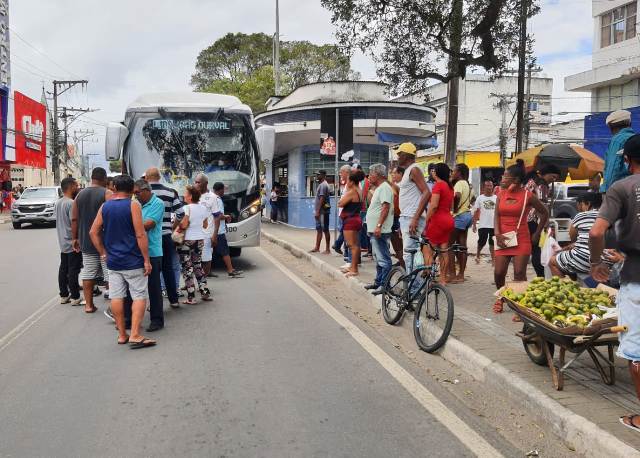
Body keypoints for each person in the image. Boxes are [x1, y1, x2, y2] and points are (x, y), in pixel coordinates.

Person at [589, 133, 640, 431]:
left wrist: (597, 265)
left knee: (637, 355)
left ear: (626, 160)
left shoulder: (622, 188)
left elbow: (596, 232)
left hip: (636, 281)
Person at [89, 175, 155, 349]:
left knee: (116, 296)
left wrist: (103, 252)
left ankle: (122, 335)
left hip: (113, 262)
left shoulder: (105, 206)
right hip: (133, 260)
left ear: (115, 188)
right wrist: (147, 260)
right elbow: (140, 234)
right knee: (139, 296)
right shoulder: (133, 205)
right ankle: (135, 334)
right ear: (133, 189)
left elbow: (93, 232)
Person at [494, 164, 549, 314]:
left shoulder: (528, 195)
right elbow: (496, 215)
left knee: (519, 272)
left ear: (516, 179)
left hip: (522, 237)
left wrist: (537, 233)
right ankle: (501, 297)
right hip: (503, 237)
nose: (502, 178)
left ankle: (520, 306)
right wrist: (497, 233)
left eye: (506, 176)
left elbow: (544, 213)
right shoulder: (500, 193)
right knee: (499, 272)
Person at [72, 167, 112, 313]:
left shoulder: (79, 195)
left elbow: (74, 218)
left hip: (86, 241)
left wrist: (74, 238)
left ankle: (89, 305)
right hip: (105, 242)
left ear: (92, 178)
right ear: (104, 179)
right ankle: (114, 306)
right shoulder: (107, 193)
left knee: (88, 272)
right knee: (110, 273)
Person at [145, 167, 183, 309]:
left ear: (147, 178)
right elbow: (180, 213)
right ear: (159, 177)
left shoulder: (143, 193)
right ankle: (173, 300)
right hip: (166, 235)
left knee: (151, 271)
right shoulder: (170, 192)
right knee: (168, 268)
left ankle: (152, 303)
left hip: (149, 237)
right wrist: (173, 226)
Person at [133, 179, 165, 332]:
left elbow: (148, 224)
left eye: (137, 193)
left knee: (153, 287)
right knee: (134, 287)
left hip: (152, 251)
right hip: (136, 251)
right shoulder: (136, 203)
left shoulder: (157, 203)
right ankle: (131, 319)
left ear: (146, 190)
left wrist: (128, 226)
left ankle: (157, 320)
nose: (135, 195)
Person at [396, 143, 431, 276]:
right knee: (411, 253)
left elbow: (426, 192)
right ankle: (415, 288)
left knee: (410, 254)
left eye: (400, 154)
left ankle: (415, 289)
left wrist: (415, 218)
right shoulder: (409, 170)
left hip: (412, 217)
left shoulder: (414, 170)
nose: (398, 157)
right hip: (407, 217)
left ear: (406, 155)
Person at [548, 192, 601, 278]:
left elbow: (571, 237)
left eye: (580, 205)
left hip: (585, 260)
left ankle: (562, 288)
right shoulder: (607, 216)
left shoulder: (581, 215)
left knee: (552, 261)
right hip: (605, 260)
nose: (579, 208)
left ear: (588, 204)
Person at [176, 185, 212, 304]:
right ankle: (204, 292)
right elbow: (205, 225)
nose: (184, 196)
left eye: (185, 194)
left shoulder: (186, 208)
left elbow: (184, 225)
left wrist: (180, 225)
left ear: (191, 196)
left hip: (187, 241)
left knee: (187, 268)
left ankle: (191, 297)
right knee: (198, 266)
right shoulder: (203, 208)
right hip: (199, 240)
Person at [525, 164, 561, 278]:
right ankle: (541, 276)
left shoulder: (532, 181)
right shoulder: (542, 185)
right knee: (537, 250)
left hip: (525, 220)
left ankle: (525, 275)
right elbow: (542, 206)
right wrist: (545, 225)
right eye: (553, 177)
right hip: (534, 221)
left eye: (555, 178)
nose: (553, 180)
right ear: (547, 174)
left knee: (530, 248)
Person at [364, 164, 395, 294]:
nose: (369, 177)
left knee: (384, 259)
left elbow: (385, 207)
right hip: (375, 230)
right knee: (378, 258)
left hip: (380, 231)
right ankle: (378, 282)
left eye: (371, 174)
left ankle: (384, 285)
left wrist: (378, 226)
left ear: (378, 175)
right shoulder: (379, 188)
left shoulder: (385, 188)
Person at [422, 163, 455, 284]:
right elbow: (450, 206)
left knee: (428, 249)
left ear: (438, 172)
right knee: (443, 250)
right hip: (448, 219)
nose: (432, 172)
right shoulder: (450, 186)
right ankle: (443, 279)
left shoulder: (438, 185)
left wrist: (427, 219)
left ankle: (429, 278)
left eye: (434, 171)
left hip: (438, 220)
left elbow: (434, 206)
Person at [55, 177, 82, 306]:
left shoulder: (58, 202)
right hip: (71, 241)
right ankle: (75, 297)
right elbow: (74, 222)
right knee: (73, 270)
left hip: (62, 241)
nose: (77, 188)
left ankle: (64, 295)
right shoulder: (71, 203)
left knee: (63, 268)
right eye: (76, 185)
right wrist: (75, 239)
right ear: (71, 187)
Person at [211, 182, 243, 278]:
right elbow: (218, 215)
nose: (224, 191)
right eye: (223, 189)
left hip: (210, 229)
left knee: (209, 252)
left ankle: (207, 272)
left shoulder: (210, 198)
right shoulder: (217, 200)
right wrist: (227, 216)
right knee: (225, 251)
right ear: (220, 190)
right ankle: (230, 270)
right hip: (218, 231)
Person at [448, 163, 473, 283]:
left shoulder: (458, 183)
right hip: (467, 215)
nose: (452, 173)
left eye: (454, 171)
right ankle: (461, 274)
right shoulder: (467, 184)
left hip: (459, 216)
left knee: (449, 246)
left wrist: (455, 209)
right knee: (462, 247)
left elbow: (456, 196)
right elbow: (471, 198)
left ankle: (452, 274)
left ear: (459, 173)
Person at [338, 169, 364, 277]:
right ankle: (353, 267)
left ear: (352, 181)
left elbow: (340, 203)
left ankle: (354, 269)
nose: (346, 182)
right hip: (356, 218)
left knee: (351, 246)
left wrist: (347, 189)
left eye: (348, 180)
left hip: (350, 220)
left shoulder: (352, 191)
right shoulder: (359, 190)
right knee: (355, 245)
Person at [601, 109, 634, 193]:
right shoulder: (635, 139)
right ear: (629, 124)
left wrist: (605, 190)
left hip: (618, 191)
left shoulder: (618, 140)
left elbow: (612, 169)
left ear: (612, 127)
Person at [194, 173, 218, 278]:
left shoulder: (212, 197)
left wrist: (214, 235)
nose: (196, 184)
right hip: (193, 233)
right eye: (195, 182)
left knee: (206, 258)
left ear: (206, 183)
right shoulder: (194, 195)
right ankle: (193, 282)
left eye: (198, 182)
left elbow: (217, 216)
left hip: (207, 234)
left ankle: (203, 281)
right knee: (193, 259)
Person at [472, 180, 497, 265]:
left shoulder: (496, 198)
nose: (489, 187)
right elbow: (476, 211)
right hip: (483, 224)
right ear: (483, 187)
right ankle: (478, 254)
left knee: (492, 242)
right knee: (482, 241)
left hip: (494, 225)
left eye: (491, 185)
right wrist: (474, 224)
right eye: (487, 186)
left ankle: (493, 259)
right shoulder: (480, 198)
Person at [333, 164, 352, 256]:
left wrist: (341, 203)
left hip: (348, 214)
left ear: (347, 172)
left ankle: (345, 254)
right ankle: (345, 254)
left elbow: (345, 200)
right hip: (343, 213)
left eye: (341, 172)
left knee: (346, 233)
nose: (340, 174)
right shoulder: (346, 184)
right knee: (344, 232)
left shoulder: (351, 184)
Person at [311, 170, 331, 254]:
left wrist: (318, 211)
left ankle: (327, 249)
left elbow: (322, 199)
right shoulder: (322, 184)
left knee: (325, 229)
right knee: (319, 229)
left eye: (318, 175)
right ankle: (317, 247)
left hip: (323, 212)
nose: (316, 176)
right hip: (321, 211)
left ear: (323, 175)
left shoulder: (323, 185)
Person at [390, 166, 404, 267]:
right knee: (394, 242)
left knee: (399, 242)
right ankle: (400, 260)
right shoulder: (393, 185)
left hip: (399, 217)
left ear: (401, 174)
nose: (392, 175)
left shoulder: (401, 186)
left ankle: (403, 263)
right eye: (392, 173)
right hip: (393, 217)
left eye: (395, 173)